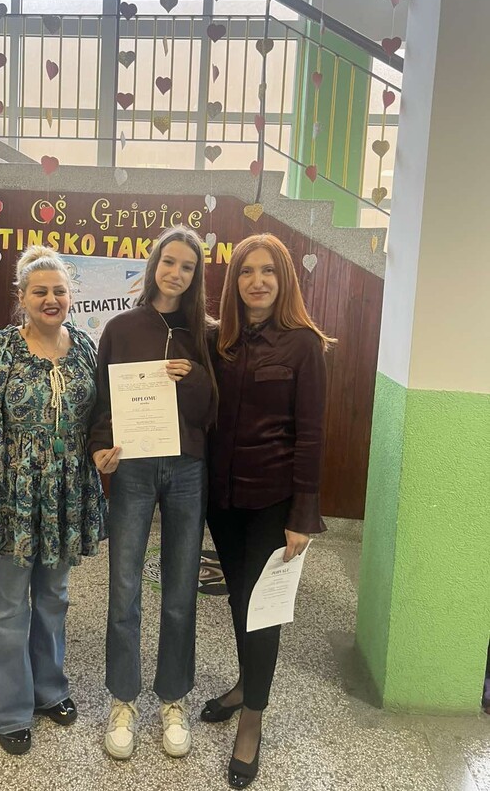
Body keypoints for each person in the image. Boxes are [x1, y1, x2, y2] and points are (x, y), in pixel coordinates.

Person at [0, 245, 106, 755]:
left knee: (54, 596)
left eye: (59, 291)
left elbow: (102, 415)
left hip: (65, 494)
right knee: (9, 604)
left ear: (71, 296)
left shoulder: (84, 348)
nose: (51, 299)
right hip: (9, 493)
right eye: (40, 292)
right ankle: (10, 711)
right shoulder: (0, 350)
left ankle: (49, 690)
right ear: (22, 297)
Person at [202, 233, 334, 789]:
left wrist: (303, 514)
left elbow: (312, 436)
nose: (257, 281)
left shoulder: (305, 345)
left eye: (268, 271)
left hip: (273, 502)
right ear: (234, 281)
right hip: (222, 500)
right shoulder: (219, 342)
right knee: (238, 599)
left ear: (284, 280)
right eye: (246, 271)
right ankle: (245, 685)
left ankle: (252, 719)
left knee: (263, 611)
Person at [90, 225, 217, 760]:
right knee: (124, 586)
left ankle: (173, 699)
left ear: (197, 276)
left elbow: (214, 412)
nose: (176, 273)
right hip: (135, 469)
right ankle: (123, 700)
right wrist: (100, 447)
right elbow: (102, 402)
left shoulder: (207, 334)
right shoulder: (121, 328)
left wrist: (194, 377)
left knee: (181, 589)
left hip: (187, 469)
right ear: (154, 265)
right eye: (170, 262)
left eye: (188, 267)